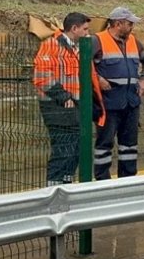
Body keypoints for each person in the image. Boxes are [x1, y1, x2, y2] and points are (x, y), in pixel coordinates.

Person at [33, 12, 105, 186]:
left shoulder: (78, 48)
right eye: (85, 29)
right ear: (74, 28)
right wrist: (63, 96)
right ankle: (55, 189)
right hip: (57, 106)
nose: (88, 34)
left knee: (75, 150)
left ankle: (66, 184)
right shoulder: (51, 45)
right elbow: (42, 76)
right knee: (63, 150)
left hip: (74, 104)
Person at [92, 7, 144, 180]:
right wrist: (97, 78)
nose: (132, 27)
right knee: (104, 144)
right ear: (118, 24)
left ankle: (128, 180)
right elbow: (82, 63)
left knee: (129, 146)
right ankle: (102, 181)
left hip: (131, 103)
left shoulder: (133, 41)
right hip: (108, 104)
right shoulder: (97, 41)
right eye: (129, 23)